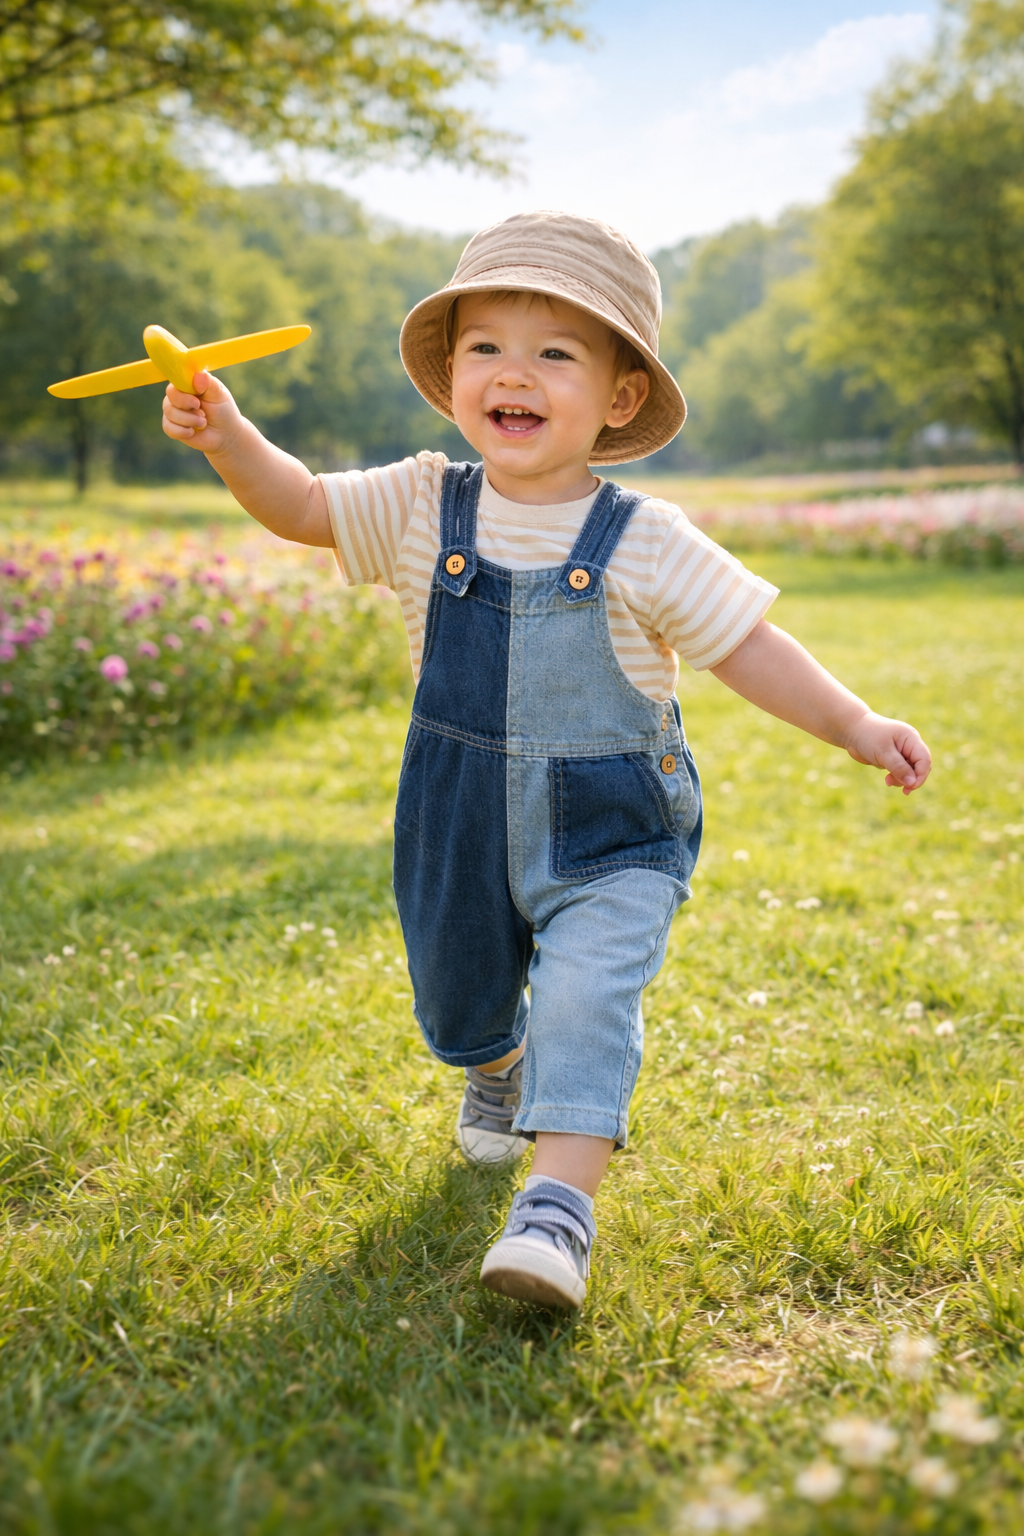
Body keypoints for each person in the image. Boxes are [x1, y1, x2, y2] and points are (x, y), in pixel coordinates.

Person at [161, 210, 931, 1309]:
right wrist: (231, 437)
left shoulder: (646, 537)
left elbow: (746, 645)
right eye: (485, 347)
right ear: (452, 375)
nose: (511, 372)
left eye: (553, 352)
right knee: (458, 991)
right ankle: (492, 1064)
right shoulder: (426, 501)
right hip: (458, 816)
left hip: (609, 829)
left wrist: (856, 725)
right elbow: (303, 507)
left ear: (619, 398)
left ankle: (555, 1212)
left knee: (587, 996)